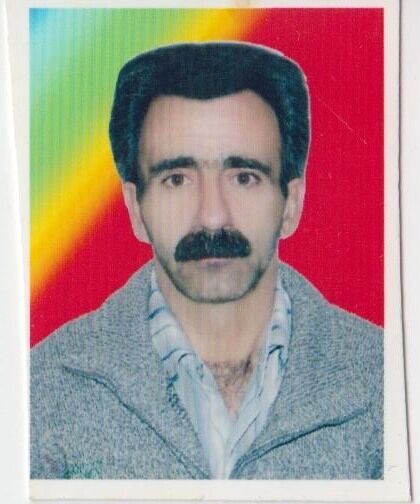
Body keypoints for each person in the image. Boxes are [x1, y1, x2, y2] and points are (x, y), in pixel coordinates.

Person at [31, 42, 383, 480]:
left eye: (244, 177)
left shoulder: (389, 381)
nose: (212, 216)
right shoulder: (39, 391)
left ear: (291, 203)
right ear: (135, 209)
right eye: (177, 179)